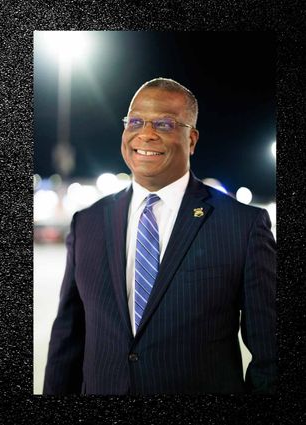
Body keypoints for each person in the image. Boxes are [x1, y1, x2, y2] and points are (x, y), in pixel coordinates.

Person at [43, 78, 277, 395]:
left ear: (191, 139)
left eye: (164, 123)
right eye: (135, 121)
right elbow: (67, 340)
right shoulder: (88, 223)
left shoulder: (242, 225)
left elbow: (271, 355)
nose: (146, 133)